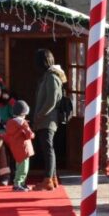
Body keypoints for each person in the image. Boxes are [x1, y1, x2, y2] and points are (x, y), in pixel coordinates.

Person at [32, 48, 66, 191]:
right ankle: (53, 178)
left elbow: (51, 101)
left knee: (48, 149)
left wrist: (39, 114)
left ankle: (48, 179)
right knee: (48, 148)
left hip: (47, 120)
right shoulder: (49, 75)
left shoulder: (51, 77)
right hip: (47, 119)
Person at [5, 100, 35, 192]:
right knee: (23, 168)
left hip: (16, 147)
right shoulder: (23, 123)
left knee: (19, 166)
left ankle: (21, 183)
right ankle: (18, 184)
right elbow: (29, 135)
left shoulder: (10, 122)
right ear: (23, 113)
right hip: (24, 147)